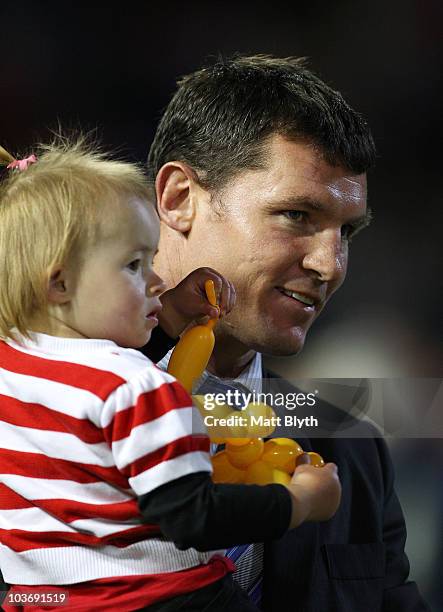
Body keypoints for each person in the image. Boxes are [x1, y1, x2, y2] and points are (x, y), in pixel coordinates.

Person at [0, 138, 341, 611]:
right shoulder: (139, 388)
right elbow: (192, 517)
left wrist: (167, 316)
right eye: (134, 265)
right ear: (59, 282)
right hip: (163, 598)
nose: (157, 280)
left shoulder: (11, 366)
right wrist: (298, 502)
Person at [148, 54, 431, 610]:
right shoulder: (35, 408)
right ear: (180, 199)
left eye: (346, 231)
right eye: (296, 216)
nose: (331, 264)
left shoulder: (350, 449)